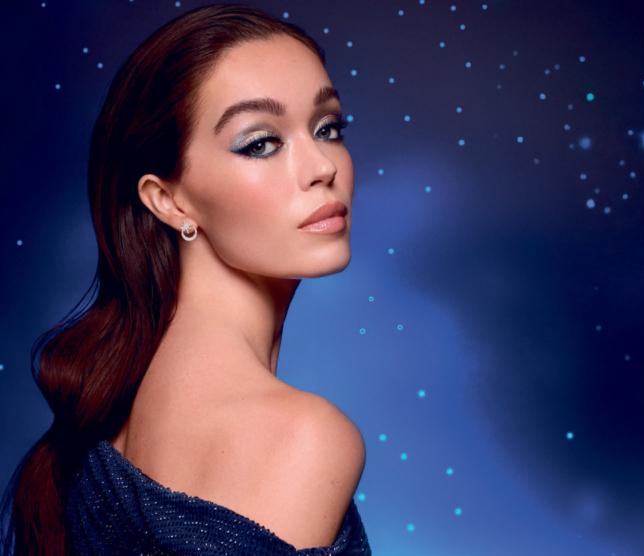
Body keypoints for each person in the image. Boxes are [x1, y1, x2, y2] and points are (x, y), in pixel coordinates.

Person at [0, 3, 370, 554]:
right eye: (261, 143)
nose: (323, 167)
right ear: (168, 201)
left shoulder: (120, 411)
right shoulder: (304, 437)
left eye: (327, 127)